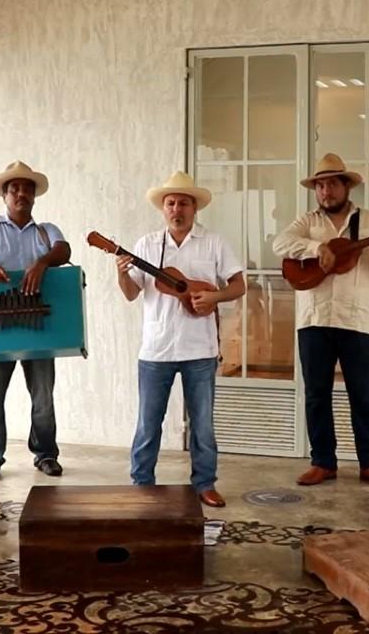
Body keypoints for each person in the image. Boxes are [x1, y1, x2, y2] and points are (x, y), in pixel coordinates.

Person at [271, 153, 369, 489]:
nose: (325, 191)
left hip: (357, 321)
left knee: (362, 393)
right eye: (320, 185)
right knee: (317, 393)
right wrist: (318, 248)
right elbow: (280, 243)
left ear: (346, 186)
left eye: (332, 183)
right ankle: (323, 462)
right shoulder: (307, 222)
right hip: (314, 319)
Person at [115, 171, 245, 508]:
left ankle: (205, 483)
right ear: (163, 208)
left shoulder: (214, 242)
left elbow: (238, 285)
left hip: (200, 349)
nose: (177, 208)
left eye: (183, 203)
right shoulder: (146, 244)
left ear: (194, 207)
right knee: (148, 422)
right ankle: (142, 483)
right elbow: (132, 293)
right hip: (155, 348)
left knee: (202, 424)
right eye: (171, 203)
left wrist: (213, 299)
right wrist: (120, 272)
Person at [0, 161, 71, 481]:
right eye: (14, 189)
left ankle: (46, 453)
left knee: (43, 398)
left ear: (34, 196)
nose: (21, 193)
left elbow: (63, 250)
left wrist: (41, 263)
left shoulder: (45, 230)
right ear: (5, 195)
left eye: (27, 189)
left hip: (39, 323)